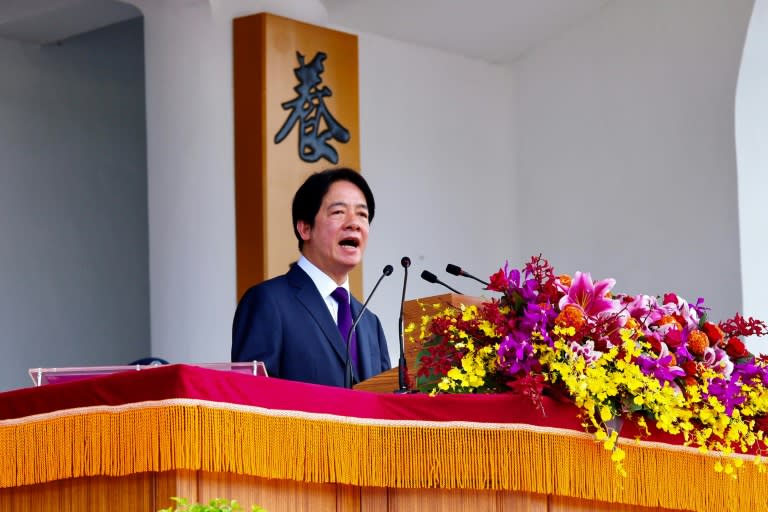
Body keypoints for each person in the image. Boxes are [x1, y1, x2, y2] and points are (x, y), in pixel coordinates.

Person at [231, 168, 391, 387]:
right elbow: (250, 397)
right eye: (338, 212)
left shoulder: (370, 323)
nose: (354, 223)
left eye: (362, 214)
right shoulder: (268, 301)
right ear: (305, 228)